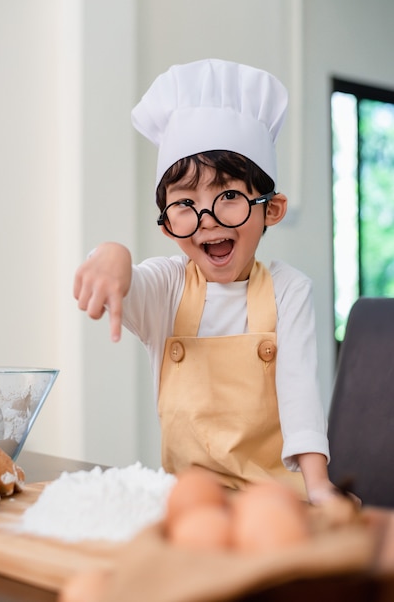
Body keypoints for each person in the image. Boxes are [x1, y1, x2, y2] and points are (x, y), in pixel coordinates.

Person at [74, 59, 338, 504]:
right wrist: (110, 255)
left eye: (229, 196)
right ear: (166, 226)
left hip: (274, 500)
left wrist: (320, 487)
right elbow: (127, 282)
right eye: (185, 204)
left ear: (270, 209)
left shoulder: (289, 290)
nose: (207, 220)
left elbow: (300, 396)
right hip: (188, 501)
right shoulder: (168, 287)